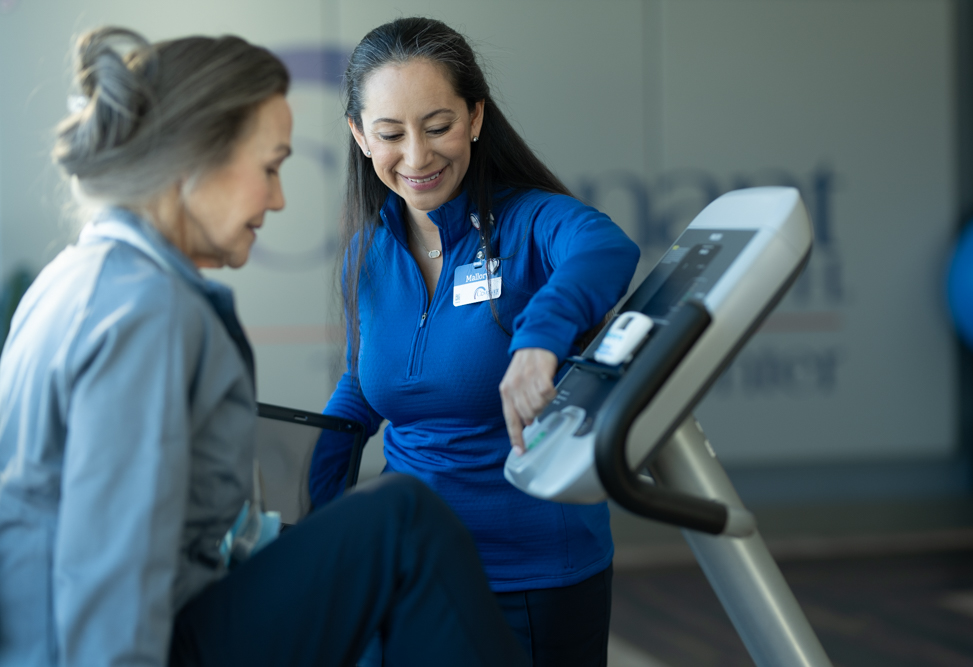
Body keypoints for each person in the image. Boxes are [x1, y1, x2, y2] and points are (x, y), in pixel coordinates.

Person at [0, 27, 528, 667]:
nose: (278, 199)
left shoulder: (71, 277)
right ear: (195, 159)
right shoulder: (147, 312)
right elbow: (109, 569)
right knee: (404, 519)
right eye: (270, 168)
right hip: (123, 645)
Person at [308, 17, 641, 667]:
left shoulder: (530, 220)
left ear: (476, 117)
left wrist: (538, 339)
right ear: (358, 135)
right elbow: (363, 387)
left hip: (529, 576)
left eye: (438, 126)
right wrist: (308, 504)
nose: (417, 156)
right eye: (390, 134)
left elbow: (607, 247)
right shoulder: (366, 253)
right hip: (409, 566)